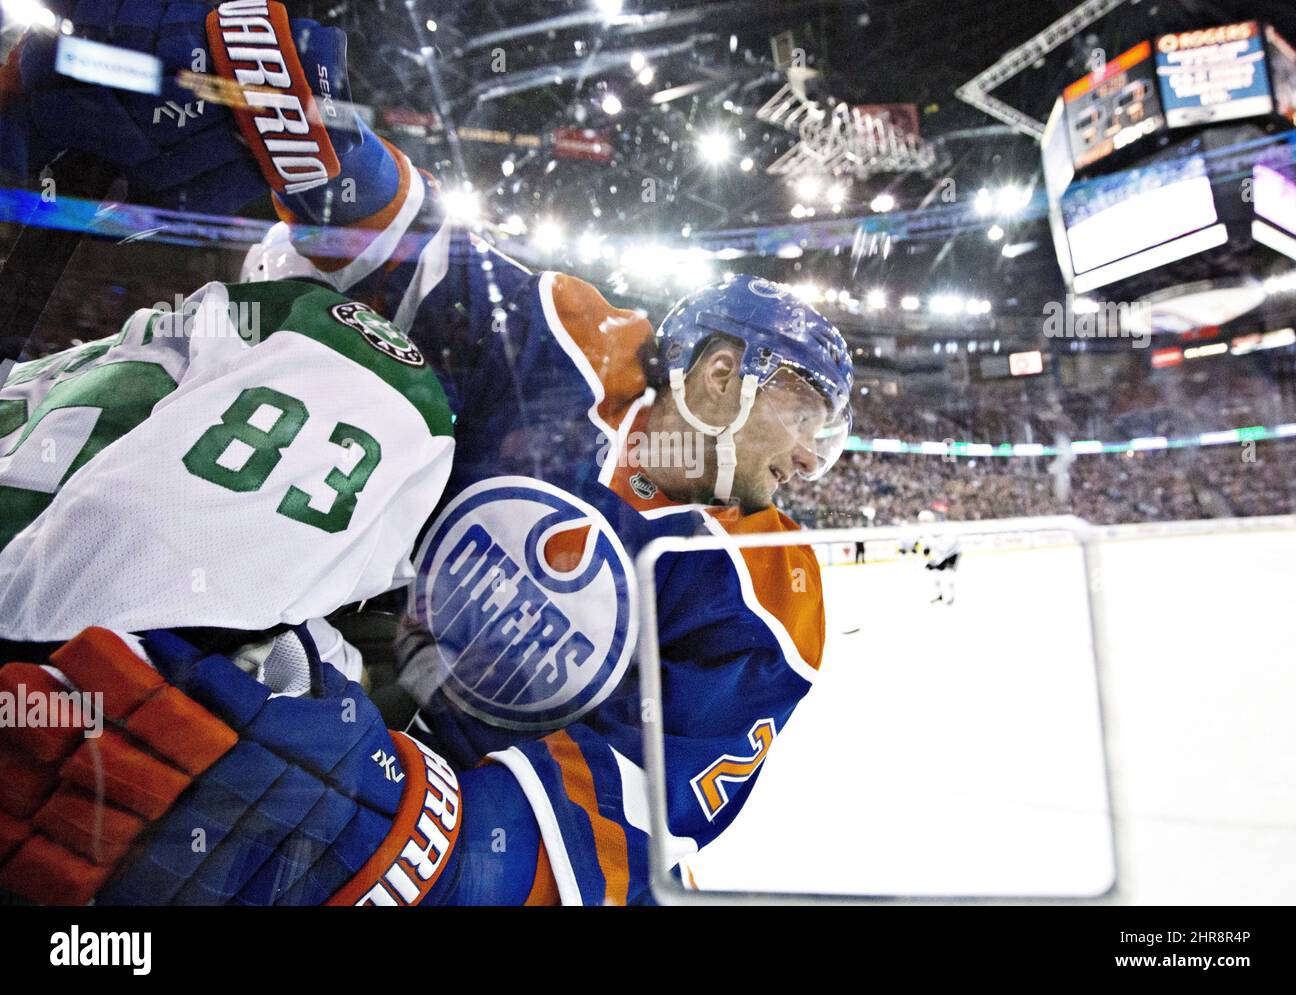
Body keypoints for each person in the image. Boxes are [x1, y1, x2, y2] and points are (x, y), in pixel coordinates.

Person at [0, 1, 854, 905]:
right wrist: (322, 151)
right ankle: (86, 602)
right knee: (363, 355)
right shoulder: (575, 349)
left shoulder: (767, 594)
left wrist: (399, 841)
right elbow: (424, 261)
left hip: (433, 821)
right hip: (325, 691)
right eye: (808, 412)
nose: (813, 459)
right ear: (724, 371)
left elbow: (628, 821)